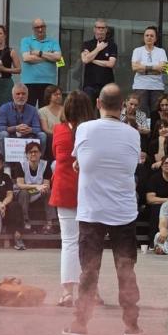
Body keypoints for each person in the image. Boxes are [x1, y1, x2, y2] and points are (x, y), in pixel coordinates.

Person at [62, 83, 144, 335]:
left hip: (92, 210)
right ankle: (131, 325)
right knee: (126, 269)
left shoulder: (84, 129)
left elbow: (82, 162)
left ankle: (80, 323)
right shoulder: (133, 133)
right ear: (122, 107)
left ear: (98, 103)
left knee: (89, 269)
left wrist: (81, 164)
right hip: (123, 211)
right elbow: (130, 166)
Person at [50, 90, 95, 308]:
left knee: (69, 242)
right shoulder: (92, 132)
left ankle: (67, 292)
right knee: (90, 243)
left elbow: (54, 155)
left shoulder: (58, 129)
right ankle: (91, 292)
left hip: (64, 189)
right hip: (88, 190)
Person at [12, 141, 56, 233]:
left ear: (40, 153)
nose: (33, 154)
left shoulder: (45, 165)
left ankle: (49, 223)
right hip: (24, 192)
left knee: (48, 192)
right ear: (26, 155)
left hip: (37, 192)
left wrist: (43, 188)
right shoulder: (21, 164)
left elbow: (46, 185)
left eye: (35, 151)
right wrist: (37, 186)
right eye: (30, 152)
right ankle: (26, 222)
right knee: (24, 193)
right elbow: (20, 185)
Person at [20, 18, 62, 107]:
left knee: (46, 111)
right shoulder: (26, 41)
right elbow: (26, 58)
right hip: (30, 82)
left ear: (45, 27)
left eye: (42, 26)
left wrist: (40, 53)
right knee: (28, 110)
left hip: (49, 82)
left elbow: (58, 57)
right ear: (33, 29)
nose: (40, 29)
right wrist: (49, 57)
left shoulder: (53, 42)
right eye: (37, 27)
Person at [0, 84, 46, 153]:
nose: (21, 96)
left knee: (42, 135)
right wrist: (15, 128)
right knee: (3, 134)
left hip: (28, 136)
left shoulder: (33, 109)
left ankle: (38, 161)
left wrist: (30, 130)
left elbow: (38, 128)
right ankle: (5, 162)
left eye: (23, 94)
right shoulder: (4, 108)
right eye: (18, 94)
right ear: (13, 96)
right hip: (11, 137)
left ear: (27, 96)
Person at [131, 26, 168, 115]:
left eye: (152, 36)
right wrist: (154, 68)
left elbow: (165, 69)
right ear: (144, 38)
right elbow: (134, 68)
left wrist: (143, 68)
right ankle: (141, 129)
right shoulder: (137, 51)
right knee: (141, 114)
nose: (149, 37)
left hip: (157, 87)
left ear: (155, 38)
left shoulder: (161, 51)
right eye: (147, 35)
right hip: (140, 87)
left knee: (156, 114)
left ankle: (154, 129)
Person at [80, 19, 117, 100]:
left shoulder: (112, 45)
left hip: (106, 85)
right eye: (98, 27)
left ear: (106, 30)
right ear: (94, 29)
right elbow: (85, 60)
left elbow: (111, 64)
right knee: (88, 110)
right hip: (90, 84)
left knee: (105, 111)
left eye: (103, 28)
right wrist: (98, 49)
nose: (101, 29)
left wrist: (92, 60)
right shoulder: (87, 44)